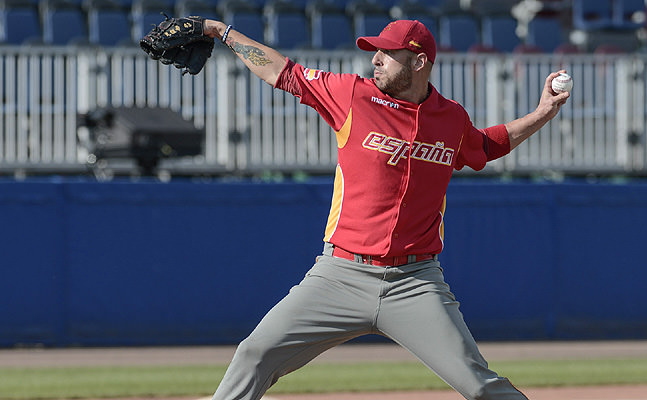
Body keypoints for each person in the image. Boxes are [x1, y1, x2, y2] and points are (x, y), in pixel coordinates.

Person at [202, 18, 569, 400]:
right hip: (339, 275)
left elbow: (487, 146)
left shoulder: (450, 118)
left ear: (419, 62)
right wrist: (221, 31)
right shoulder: (351, 95)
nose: (375, 59)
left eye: (388, 53)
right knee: (254, 354)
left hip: (415, 282)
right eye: (375, 51)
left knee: (480, 386)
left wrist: (543, 112)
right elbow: (283, 72)